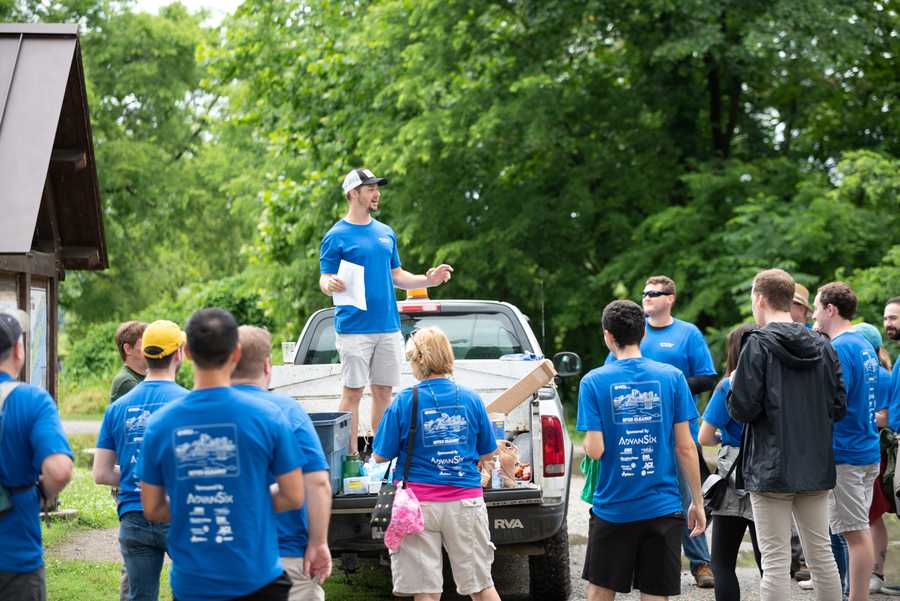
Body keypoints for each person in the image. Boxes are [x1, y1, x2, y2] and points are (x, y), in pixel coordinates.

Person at [139, 308, 305, 601]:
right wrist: (245, 501)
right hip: (258, 579)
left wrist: (195, 502)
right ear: (236, 352)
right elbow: (293, 495)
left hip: (193, 584)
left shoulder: (160, 424)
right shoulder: (268, 416)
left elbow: (152, 508)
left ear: (187, 351)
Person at [727, 268, 844, 601]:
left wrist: (734, 388)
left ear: (759, 298)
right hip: (815, 466)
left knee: (776, 562)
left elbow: (742, 410)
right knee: (822, 556)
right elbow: (838, 407)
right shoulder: (824, 346)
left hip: (770, 466)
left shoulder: (757, 344)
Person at [319, 168, 453, 455]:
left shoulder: (385, 233)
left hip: (388, 328)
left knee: (383, 393)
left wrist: (429, 279)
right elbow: (324, 277)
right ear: (353, 194)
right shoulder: (335, 236)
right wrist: (328, 283)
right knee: (353, 393)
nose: (376, 193)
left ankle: (381, 459)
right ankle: (350, 458)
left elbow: (398, 276)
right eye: (370, 189)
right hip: (353, 329)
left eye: (377, 188)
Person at [579, 300, 705, 600]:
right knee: (654, 593)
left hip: (613, 507)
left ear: (608, 336)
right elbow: (686, 447)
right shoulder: (672, 377)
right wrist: (697, 502)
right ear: (643, 334)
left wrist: (588, 441)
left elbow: (595, 451)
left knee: (601, 590)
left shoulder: (593, 381)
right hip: (662, 506)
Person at [371, 327, 500, 601]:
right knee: (481, 586)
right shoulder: (471, 398)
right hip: (466, 503)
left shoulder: (405, 400)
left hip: (416, 505)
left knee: (426, 592)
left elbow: (380, 455)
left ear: (417, 360)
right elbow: (488, 451)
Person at [607, 275, 717, 588]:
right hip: (635, 429)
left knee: (685, 493)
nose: (647, 297)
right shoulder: (633, 333)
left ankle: (700, 563)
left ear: (671, 298)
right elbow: (610, 372)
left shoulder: (687, 333)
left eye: (655, 293)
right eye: (644, 293)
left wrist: (670, 387)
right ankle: (630, 562)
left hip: (678, 430)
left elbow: (708, 377)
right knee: (634, 488)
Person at [231, 325, 333, 601]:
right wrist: (319, 543)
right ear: (267, 365)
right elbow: (318, 482)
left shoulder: (206, 413)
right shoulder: (287, 410)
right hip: (285, 554)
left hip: (223, 557)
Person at [93, 320, 189, 601]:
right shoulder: (191, 403)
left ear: (145, 354)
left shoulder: (117, 408)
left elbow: (100, 473)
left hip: (134, 513)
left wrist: (135, 477)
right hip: (179, 512)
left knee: (139, 596)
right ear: (179, 354)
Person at [813, 282, 880, 601]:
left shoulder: (840, 347)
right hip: (865, 449)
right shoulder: (864, 344)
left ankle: (858, 598)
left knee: (855, 533)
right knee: (858, 529)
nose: (813, 314)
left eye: (816, 307)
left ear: (830, 309)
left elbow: (833, 402)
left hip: (847, 453)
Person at [0, 310, 74, 600]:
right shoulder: (32, 401)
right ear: (19, 350)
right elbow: (59, 470)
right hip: (15, 557)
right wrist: (41, 493)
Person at [698, 324, 762, 601]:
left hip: (734, 471)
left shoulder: (728, 385)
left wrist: (726, 436)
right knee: (770, 561)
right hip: (768, 470)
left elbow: (704, 436)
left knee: (723, 562)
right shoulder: (773, 383)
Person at [850, 323, 898, 595]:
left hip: (874, 449)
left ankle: (875, 573)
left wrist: (857, 416)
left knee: (872, 514)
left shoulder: (880, 376)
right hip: (866, 448)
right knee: (865, 515)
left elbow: (886, 416)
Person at [111, 321, 148, 403]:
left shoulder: (147, 376)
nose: (150, 347)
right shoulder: (125, 381)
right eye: (145, 343)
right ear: (127, 349)